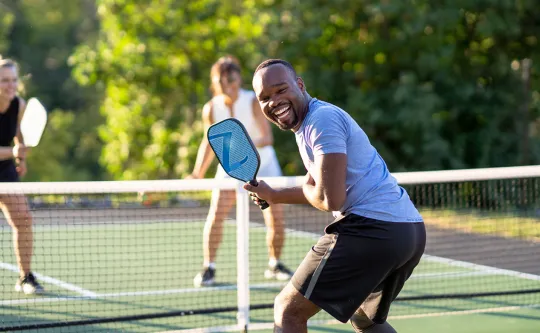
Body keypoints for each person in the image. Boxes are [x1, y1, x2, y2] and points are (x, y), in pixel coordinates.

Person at [244, 59, 426, 333]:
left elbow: (331, 199)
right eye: (265, 98)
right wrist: (273, 194)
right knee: (364, 318)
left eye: (281, 90)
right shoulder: (308, 124)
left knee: (287, 310)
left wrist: (301, 192)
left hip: (372, 229)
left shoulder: (321, 121)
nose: (274, 101)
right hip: (408, 232)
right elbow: (315, 185)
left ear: (301, 85)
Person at [190, 56, 293, 287]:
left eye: (232, 78)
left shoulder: (253, 101)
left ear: (238, 78)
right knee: (216, 214)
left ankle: (274, 264)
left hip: (264, 165)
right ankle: (209, 267)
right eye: (223, 80)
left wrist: (241, 149)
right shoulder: (211, 108)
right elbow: (208, 142)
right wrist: (197, 172)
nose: (229, 84)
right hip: (229, 169)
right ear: (216, 82)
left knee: (275, 217)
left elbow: (267, 138)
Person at [0, 57, 44, 295]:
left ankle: (25, 277)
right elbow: (14, 146)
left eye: (14, 80)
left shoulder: (20, 105)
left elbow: (19, 134)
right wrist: (13, 152)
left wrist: (21, 159)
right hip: (5, 158)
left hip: (5, 171)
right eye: (4, 81)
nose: (10, 85)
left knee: (24, 220)